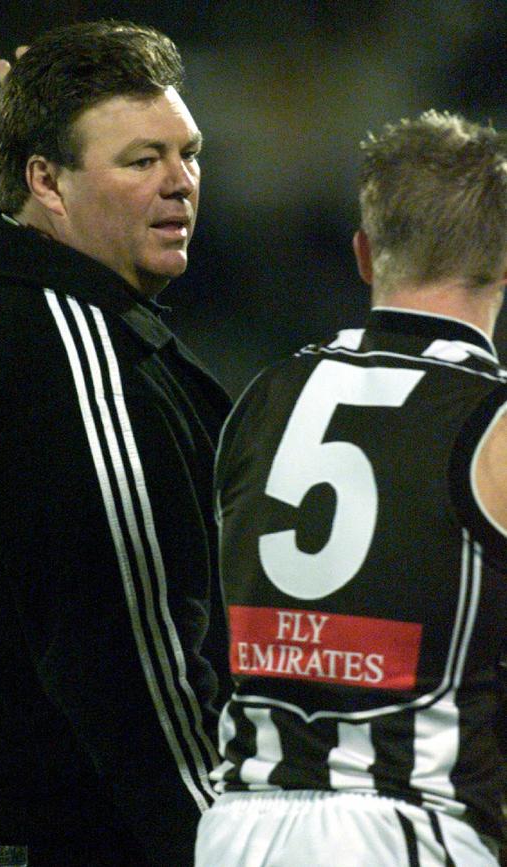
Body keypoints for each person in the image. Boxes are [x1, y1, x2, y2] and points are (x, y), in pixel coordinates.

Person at [0, 20, 232, 867]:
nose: (180, 184)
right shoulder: (81, 368)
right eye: (140, 160)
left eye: (187, 152)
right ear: (46, 181)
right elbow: (136, 671)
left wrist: (23, 134)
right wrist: (228, 845)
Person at [196, 110, 507, 867]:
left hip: (237, 825)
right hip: (411, 822)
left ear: (365, 255)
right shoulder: (494, 422)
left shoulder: (262, 397)